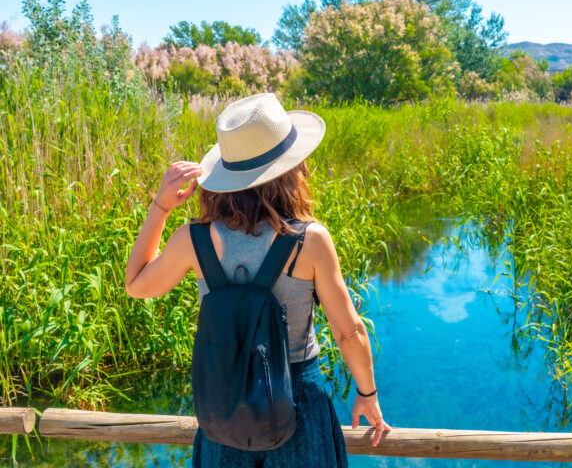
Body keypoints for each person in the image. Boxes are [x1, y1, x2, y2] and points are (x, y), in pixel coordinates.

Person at [125, 93, 390, 467]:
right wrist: (367, 394)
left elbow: (136, 284)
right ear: (291, 170)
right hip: (298, 407)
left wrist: (161, 206)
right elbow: (350, 333)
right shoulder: (309, 241)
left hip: (225, 413)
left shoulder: (194, 239)